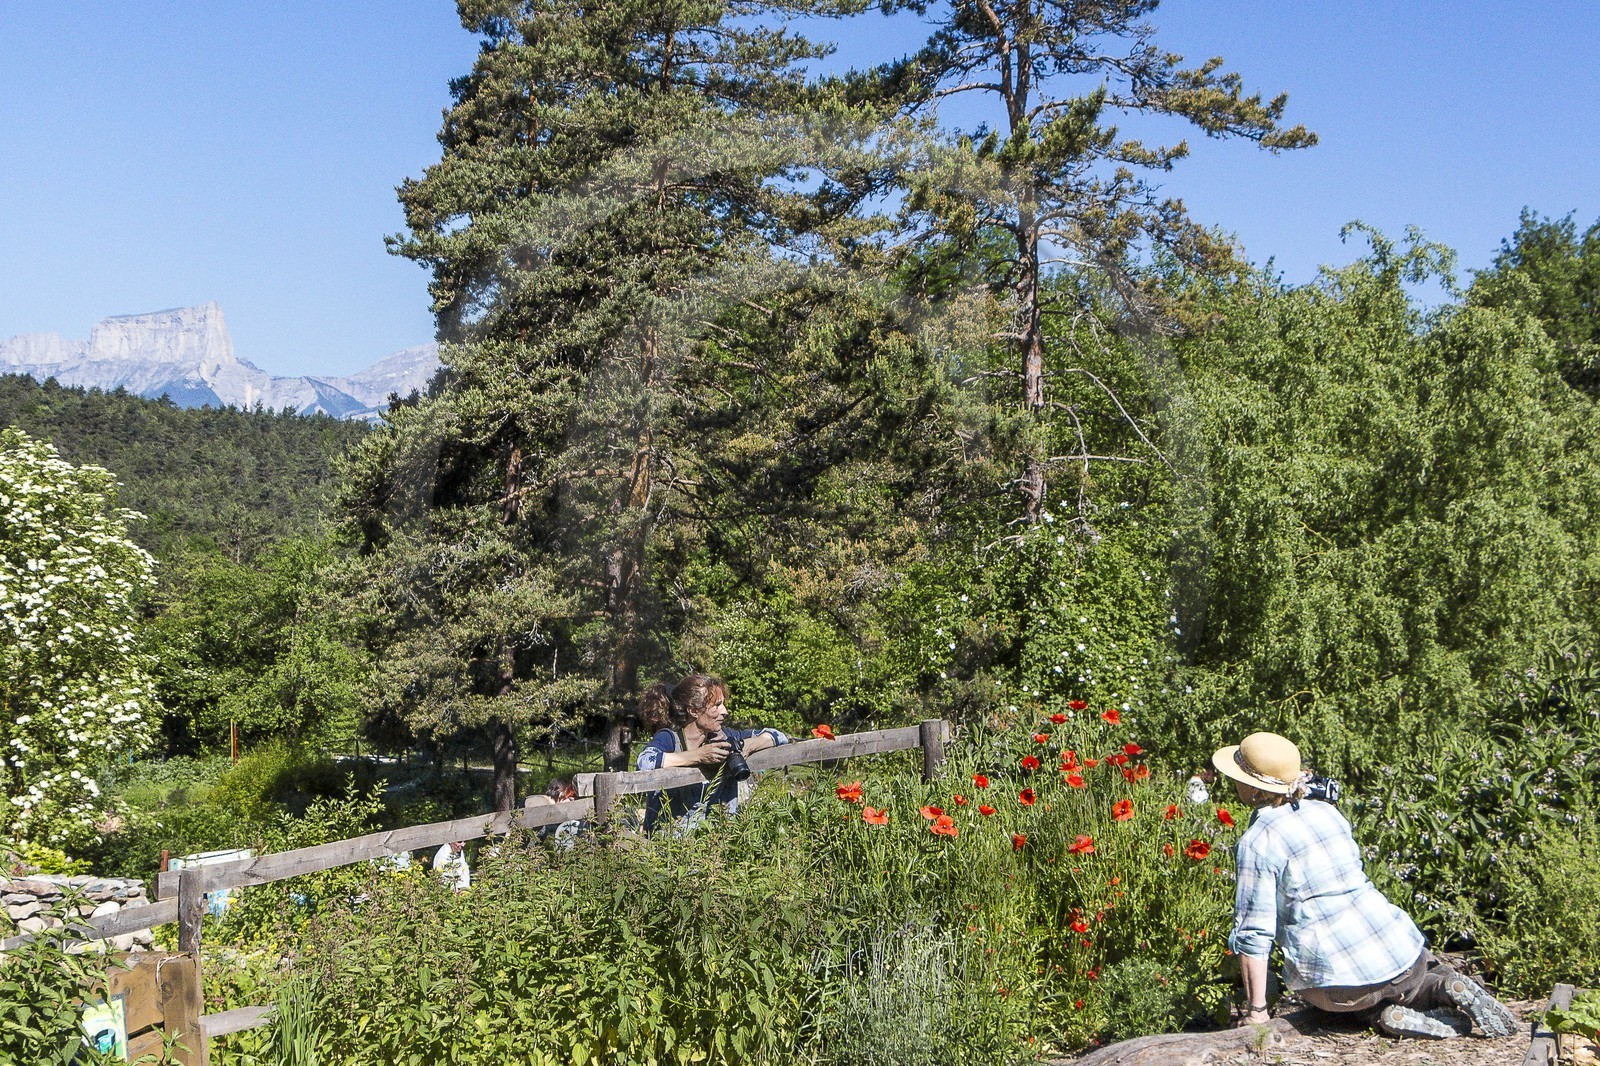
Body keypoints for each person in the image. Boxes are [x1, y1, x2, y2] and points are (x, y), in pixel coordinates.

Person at [1213, 731, 1517, 1040]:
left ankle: (1380, 1016)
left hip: (1338, 983)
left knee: (1346, 1000)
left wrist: (1257, 1012)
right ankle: (1441, 986)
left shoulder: (1257, 841)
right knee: (1414, 976)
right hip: (1397, 947)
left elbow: (1254, 932)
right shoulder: (1328, 812)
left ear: (1253, 788)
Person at [635, 673, 789, 832]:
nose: (725, 711)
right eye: (717, 705)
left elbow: (779, 736)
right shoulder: (669, 738)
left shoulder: (724, 736)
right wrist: (700, 756)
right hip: (669, 845)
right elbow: (645, 761)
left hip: (718, 840)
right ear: (694, 710)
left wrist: (749, 745)